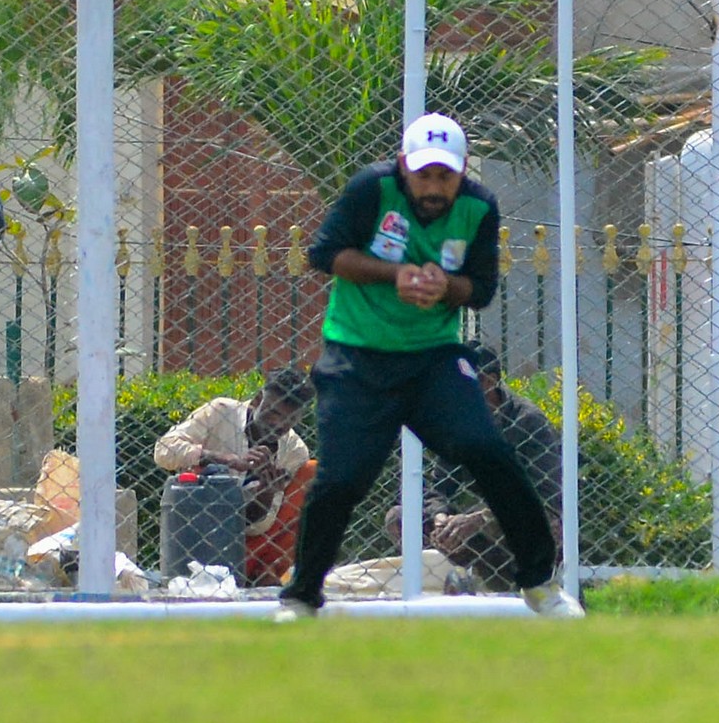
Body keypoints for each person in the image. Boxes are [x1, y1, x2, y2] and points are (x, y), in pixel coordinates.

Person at [274, 112, 583, 620]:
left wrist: (446, 288)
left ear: (463, 170)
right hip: (357, 357)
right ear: (403, 166)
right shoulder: (372, 190)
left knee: (487, 450)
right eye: (424, 174)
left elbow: (480, 290)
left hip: (433, 358)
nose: (434, 187)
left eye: (446, 175)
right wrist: (396, 275)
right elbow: (325, 254)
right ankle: (301, 596)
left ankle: (539, 583)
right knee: (341, 479)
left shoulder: (479, 207)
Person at [382, 341, 561, 593]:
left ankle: (525, 582)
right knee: (401, 516)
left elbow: (548, 501)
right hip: (480, 527)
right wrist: (440, 517)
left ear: (489, 382)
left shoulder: (528, 422)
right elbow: (438, 487)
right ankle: (442, 585)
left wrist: (478, 520)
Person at [154, 367, 317, 587]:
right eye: (273, 412)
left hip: (249, 543)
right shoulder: (221, 411)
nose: (278, 424)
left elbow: (256, 525)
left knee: (312, 472)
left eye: (290, 419)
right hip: (197, 534)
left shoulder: (294, 451)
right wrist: (226, 460)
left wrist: (266, 492)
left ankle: (264, 570)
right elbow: (163, 450)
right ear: (257, 400)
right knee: (198, 475)